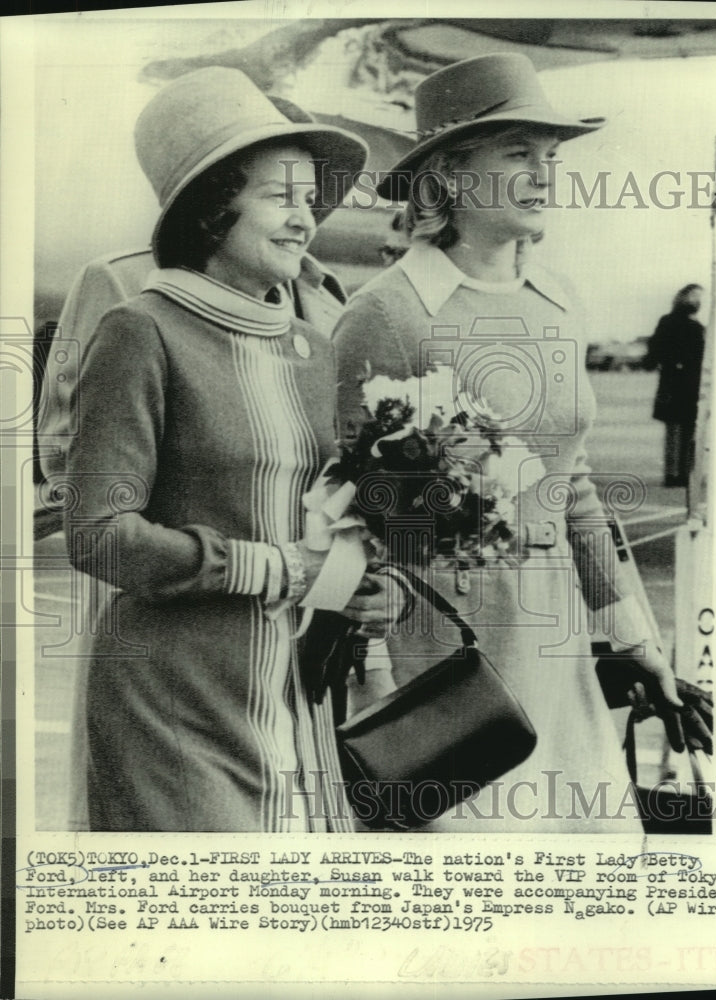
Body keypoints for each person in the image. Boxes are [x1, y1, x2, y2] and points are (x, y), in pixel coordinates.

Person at [333, 53, 683, 833]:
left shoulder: (559, 301)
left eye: (549, 156)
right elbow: (355, 512)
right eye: (519, 153)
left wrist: (634, 635)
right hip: (445, 661)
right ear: (451, 176)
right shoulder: (387, 314)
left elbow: (576, 488)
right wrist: (382, 672)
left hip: (555, 651)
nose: (544, 172)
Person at [63, 66, 402, 831]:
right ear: (215, 208)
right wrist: (272, 567)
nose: (304, 221)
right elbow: (98, 537)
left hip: (293, 700)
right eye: (281, 197)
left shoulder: (316, 350)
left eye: (310, 202)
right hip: (172, 706)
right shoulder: (142, 331)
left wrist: (369, 589)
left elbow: (325, 527)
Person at [643, 284, 706, 487]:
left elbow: (654, 351)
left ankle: (678, 473)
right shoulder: (685, 325)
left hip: (680, 383)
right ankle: (678, 473)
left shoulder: (682, 324)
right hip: (680, 384)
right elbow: (656, 350)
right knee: (681, 430)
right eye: (695, 297)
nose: (698, 302)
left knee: (680, 430)